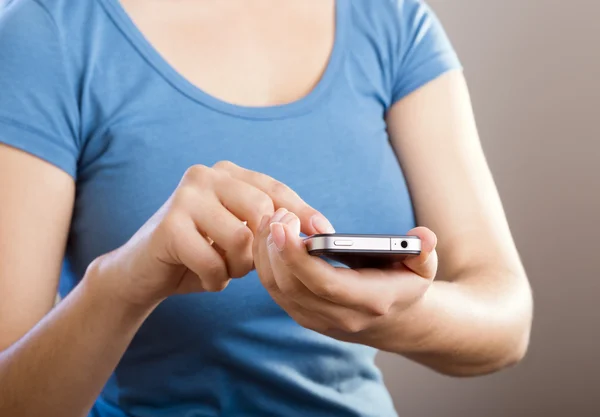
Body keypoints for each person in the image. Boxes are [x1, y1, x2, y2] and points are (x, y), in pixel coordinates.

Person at [0, 0, 533, 416]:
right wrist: (120, 284)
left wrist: (392, 314)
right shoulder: (45, 34)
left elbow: (507, 324)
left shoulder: (394, 20)